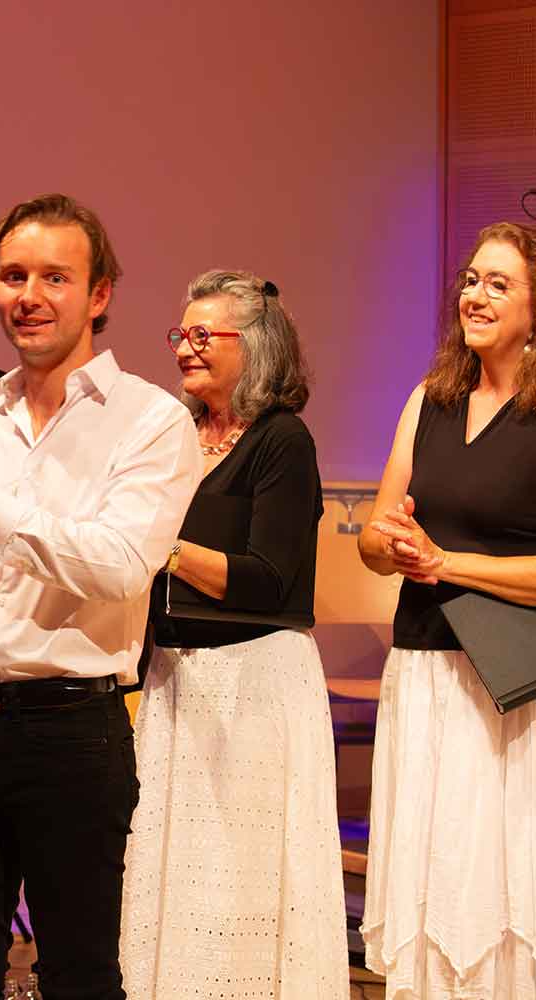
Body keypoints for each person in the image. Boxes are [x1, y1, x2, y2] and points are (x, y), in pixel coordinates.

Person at [0, 193, 202, 1000]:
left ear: (100, 294)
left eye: (54, 277)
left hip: (74, 731)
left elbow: (120, 567)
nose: (28, 295)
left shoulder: (151, 420)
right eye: (12, 276)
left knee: (79, 976)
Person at [117, 271, 346, 998]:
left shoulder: (283, 440)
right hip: (176, 680)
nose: (184, 347)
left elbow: (267, 578)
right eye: (179, 334)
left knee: (244, 879)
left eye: (202, 335)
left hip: (256, 685)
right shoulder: (176, 437)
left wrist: (164, 548)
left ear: (257, 346)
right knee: (177, 874)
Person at [358, 221, 536, 998]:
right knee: (429, 873)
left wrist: (445, 564)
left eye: (499, 283)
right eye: (470, 280)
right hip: (423, 668)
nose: (477, 296)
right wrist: (388, 542)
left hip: (506, 685)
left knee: (491, 881)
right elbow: (375, 535)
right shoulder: (428, 400)